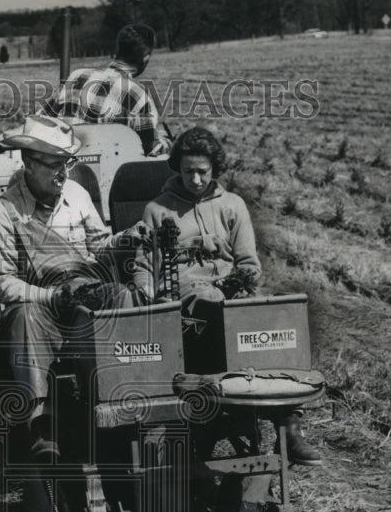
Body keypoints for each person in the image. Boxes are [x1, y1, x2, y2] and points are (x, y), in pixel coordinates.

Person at [132, 126, 322, 466]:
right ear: (177, 167)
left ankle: (290, 424)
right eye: (188, 170)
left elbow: (249, 264)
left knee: (281, 317)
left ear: (214, 169)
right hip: (185, 294)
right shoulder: (157, 210)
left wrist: (237, 285)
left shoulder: (232, 206)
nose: (195, 178)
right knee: (210, 305)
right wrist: (146, 291)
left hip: (230, 289)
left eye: (203, 171)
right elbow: (146, 263)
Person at [0, 115, 148, 463]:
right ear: (29, 163)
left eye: (67, 164)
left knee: (125, 297)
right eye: (54, 165)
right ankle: (42, 422)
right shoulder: (2, 213)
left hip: (83, 293)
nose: (63, 173)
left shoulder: (76, 194)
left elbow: (100, 246)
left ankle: (132, 395)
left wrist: (127, 238)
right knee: (24, 316)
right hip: (42, 306)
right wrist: (50, 296)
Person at [45, 24, 171, 157]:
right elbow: (152, 150)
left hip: (63, 164)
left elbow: (44, 119)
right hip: (107, 170)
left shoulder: (76, 76)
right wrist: (167, 142)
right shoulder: (138, 97)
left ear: (118, 50)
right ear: (145, 59)